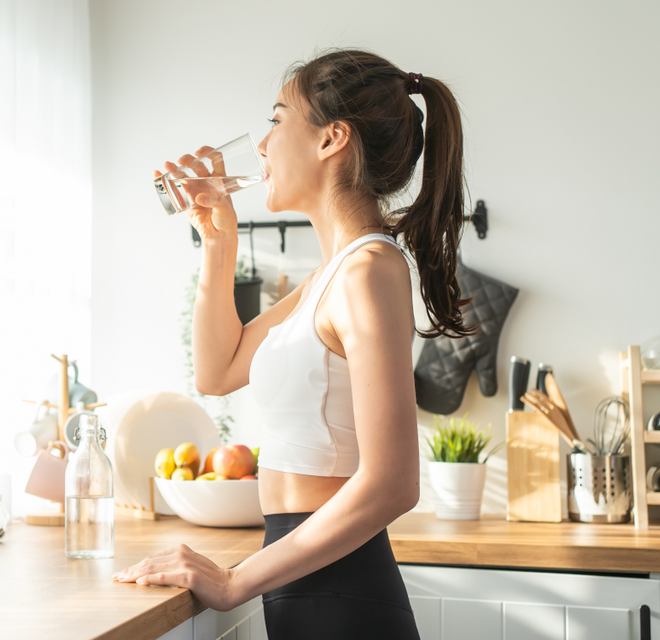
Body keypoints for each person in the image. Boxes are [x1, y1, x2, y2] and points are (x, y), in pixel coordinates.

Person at [113, 48, 474, 639]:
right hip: (304, 577)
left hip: (342, 590)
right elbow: (218, 371)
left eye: (277, 120)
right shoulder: (329, 277)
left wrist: (235, 581)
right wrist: (218, 241)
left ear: (332, 139)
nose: (260, 146)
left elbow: (393, 483)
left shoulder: (368, 270)